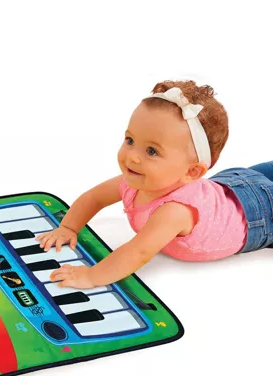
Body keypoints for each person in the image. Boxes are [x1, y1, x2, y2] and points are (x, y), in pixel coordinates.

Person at [38, 80, 273, 290]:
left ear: (191, 172)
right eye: (130, 140)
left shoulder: (174, 211)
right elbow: (94, 198)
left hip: (262, 215)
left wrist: (92, 276)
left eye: (152, 151)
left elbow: (138, 252)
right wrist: (68, 227)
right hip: (233, 185)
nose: (133, 157)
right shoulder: (135, 181)